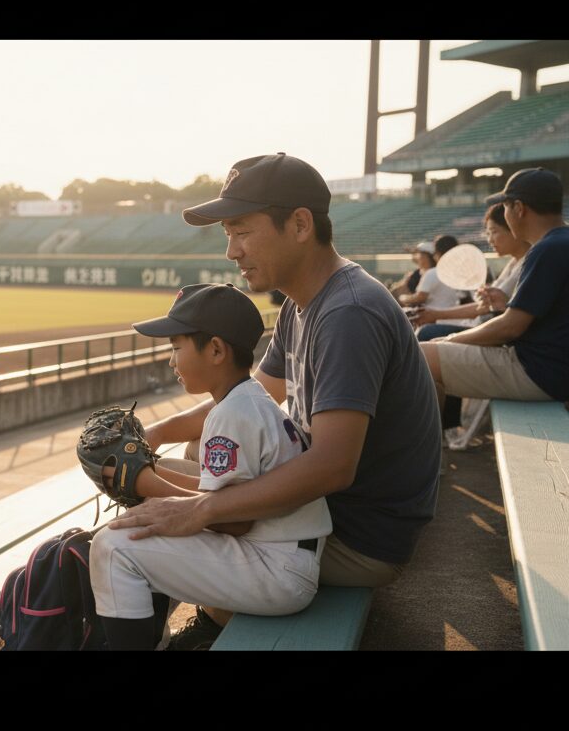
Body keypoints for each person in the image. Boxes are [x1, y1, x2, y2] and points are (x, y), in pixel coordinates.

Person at [110, 153, 441, 647]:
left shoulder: (348, 314)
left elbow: (333, 467)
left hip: (357, 536)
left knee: (148, 515)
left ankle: (209, 624)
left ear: (301, 224)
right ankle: (211, 614)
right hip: (335, 512)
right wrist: (151, 434)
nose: (232, 251)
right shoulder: (305, 302)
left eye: (242, 231)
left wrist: (199, 511)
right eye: (228, 235)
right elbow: (245, 396)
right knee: (175, 462)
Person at [90, 283, 332, 650]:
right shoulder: (248, 399)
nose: (171, 361)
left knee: (113, 548)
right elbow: (222, 500)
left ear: (216, 350)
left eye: (176, 347)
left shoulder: (232, 414)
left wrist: (148, 482)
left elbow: (233, 521)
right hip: (284, 555)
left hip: (275, 570)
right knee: (141, 526)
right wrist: (151, 476)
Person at [420, 167, 569, 405]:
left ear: (519, 208)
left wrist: (451, 340)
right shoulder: (561, 242)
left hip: (539, 372)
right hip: (553, 369)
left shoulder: (547, 248)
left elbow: (510, 327)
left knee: (418, 356)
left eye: (506, 207)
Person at [411, 204, 530, 447]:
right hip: (488, 329)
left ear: (513, 227)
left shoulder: (527, 262)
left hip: (499, 339)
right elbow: (482, 306)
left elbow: (502, 318)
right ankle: (441, 426)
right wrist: (435, 314)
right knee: (429, 333)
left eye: (494, 231)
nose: (489, 239)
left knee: (430, 338)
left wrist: (445, 330)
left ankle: (444, 427)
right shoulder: (514, 263)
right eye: (487, 233)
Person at [400, 235, 468, 327]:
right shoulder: (462, 272)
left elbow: (420, 298)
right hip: (459, 321)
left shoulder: (433, 273)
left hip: (435, 321)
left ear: (437, 254)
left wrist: (402, 298)